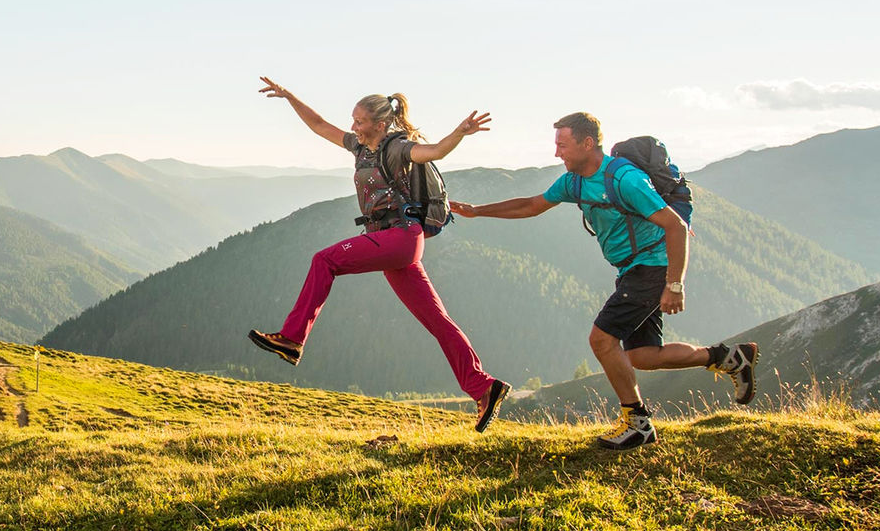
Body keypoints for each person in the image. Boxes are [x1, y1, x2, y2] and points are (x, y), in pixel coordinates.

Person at [448, 112, 758, 450]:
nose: (557, 154)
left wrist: (674, 284)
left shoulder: (625, 180)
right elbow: (532, 205)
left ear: (587, 143)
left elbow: (676, 227)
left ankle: (638, 423)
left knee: (602, 341)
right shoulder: (574, 181)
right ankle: (728, 357)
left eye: (562, 145)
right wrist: (477, 210)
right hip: (631, 269)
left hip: (653, 267)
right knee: (642, 355)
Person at [248, 76, 512, 433]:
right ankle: (484, 387)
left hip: (401, 237)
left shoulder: (397, 147)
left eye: (359, 121)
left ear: (380, 123)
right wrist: (288, 96)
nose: (353, 127)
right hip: (392, 242)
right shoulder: (361, 148)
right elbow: (318, 125)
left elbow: (432, 152)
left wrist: (459, 133)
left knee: (324, 260)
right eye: (353, 121)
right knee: (437, 320)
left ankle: (292, 339)